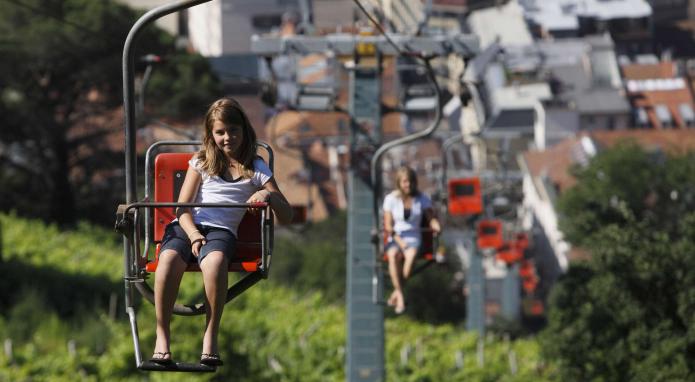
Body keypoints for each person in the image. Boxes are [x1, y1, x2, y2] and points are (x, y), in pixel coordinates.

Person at [150, 97, 293, 366]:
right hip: (187, 227)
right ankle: (162, 336)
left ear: (244, 130)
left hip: (221, 231)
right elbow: (182, 209)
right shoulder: (201, 162)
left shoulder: (256, 167)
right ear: (211, 134)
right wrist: (193, 235)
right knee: (167, 260)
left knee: (215, 263)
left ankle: (210, 337)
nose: (228, 138)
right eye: (220, 132)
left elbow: (287, 215)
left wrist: (267, 195)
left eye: (233, 131)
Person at [383, 166, 441, 314]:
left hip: (413, 237)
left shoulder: (422, 199)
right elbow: (388, 225)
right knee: (393, 255)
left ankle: (396, 292)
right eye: (404, 182)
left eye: (410, 182)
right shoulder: (391, 199)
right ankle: (400, 297)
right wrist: (399, 241)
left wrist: (435, 224)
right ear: (399, 183)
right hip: (395, 236)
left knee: (408, 264)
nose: (407, 185)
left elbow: (430, 217)